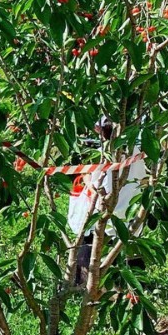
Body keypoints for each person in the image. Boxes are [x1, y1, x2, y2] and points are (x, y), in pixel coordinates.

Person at [67, 119, 147, 287]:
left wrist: (88, 179)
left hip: (101, 212)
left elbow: (92, 183)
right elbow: (144, 179)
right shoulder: (137, 153)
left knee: (90, 243)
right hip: (129, 212)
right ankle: (134, 287)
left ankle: (82, 284)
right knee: (127, 245)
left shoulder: (99, 154)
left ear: (99, 130)